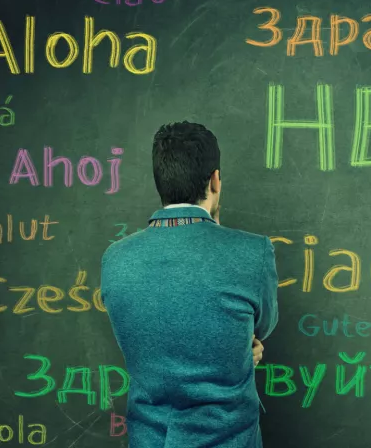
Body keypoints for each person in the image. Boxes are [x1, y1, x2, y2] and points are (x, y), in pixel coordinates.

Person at [101, 121, 279, 447]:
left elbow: (143, 340)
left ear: (161, 182)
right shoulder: (253, 252)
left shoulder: (116, 258)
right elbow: (262, 327)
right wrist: (236, 348)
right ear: (215, 180)